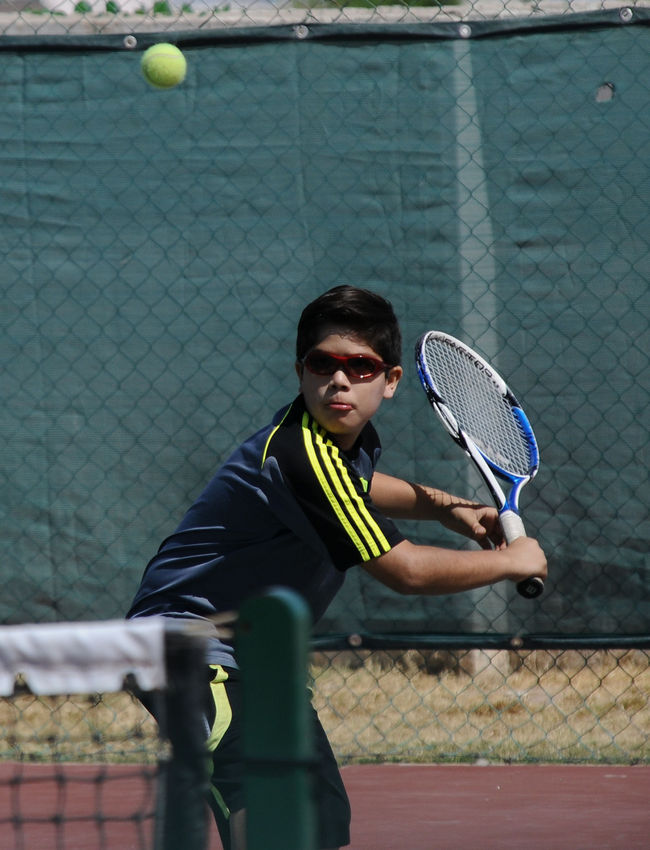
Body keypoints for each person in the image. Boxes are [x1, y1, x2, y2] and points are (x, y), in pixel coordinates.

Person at [127, 285, 547, 850]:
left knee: (319, 817)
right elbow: (405, 572)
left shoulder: (341, 443)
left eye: (360, 367)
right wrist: (512, 562)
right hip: (185, 647)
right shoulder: (299, 454)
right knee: (264, 799)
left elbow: (359, 485)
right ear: (301, 372)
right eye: (323, 364)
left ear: (390, 380)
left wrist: (447, 508)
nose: (340, 380)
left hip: (256, 657)